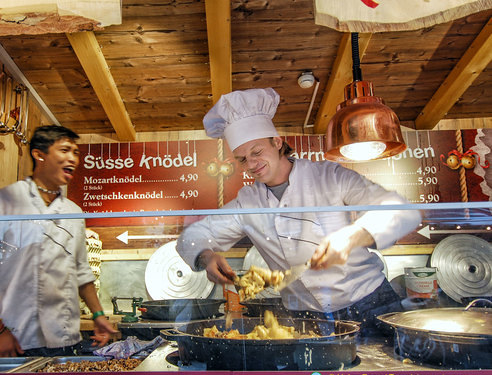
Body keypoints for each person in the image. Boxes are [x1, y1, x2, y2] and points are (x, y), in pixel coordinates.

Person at [176, 88, 421, 335]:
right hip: (306, 319)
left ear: (277, 142)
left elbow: (401, 212)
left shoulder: (329, 175)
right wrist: (207, 257)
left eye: (257, 152)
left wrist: (354, 236)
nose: (251, 164)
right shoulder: (248, 202)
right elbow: (191, 237)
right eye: (241, 159)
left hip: (370, 303)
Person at [0, 125, 116, 357]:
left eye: (76, 153)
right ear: (39, 154)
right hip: (11, 342)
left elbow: (81, 272)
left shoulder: (74, 212)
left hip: (64, 342)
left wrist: (98, 315)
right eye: (65, 150)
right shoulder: (2, 203)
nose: (73, 159)